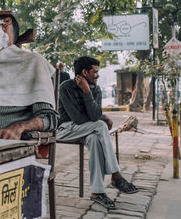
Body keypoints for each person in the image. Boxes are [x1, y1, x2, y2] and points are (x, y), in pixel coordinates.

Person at [56, 56, 138, 210]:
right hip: (65, 129)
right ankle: (116, 175)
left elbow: (93, 116)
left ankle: (97, 191)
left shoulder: (96, 89)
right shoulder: (66, 87)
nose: (98, 75)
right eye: (95, 72)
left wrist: (88, 92)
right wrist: (98, 111)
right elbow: (78, 118)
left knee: (94, 139)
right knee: (100, 125)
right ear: (84, 72)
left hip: (87, 129)